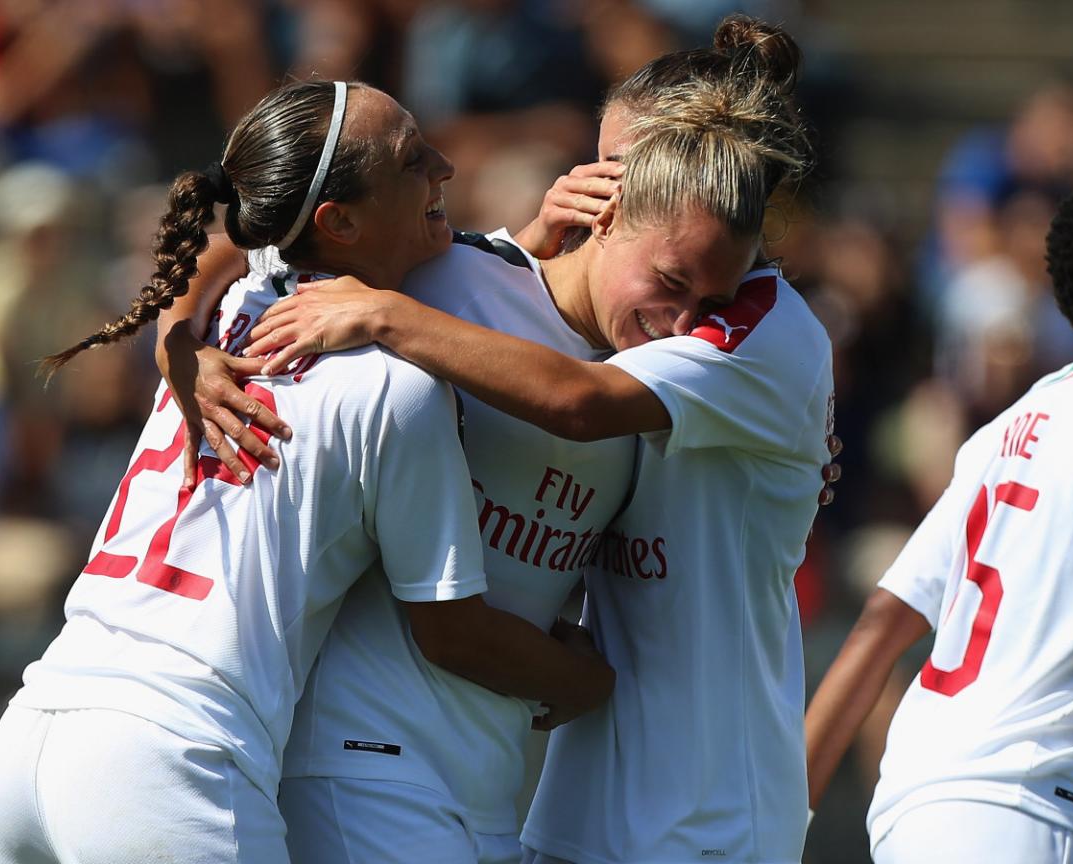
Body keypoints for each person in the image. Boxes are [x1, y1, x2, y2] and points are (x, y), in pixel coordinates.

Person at [173, 16, 829, 863]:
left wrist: (397, 308)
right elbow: (243, 238)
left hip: (674, 815)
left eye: (707, 298)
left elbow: (576, 400)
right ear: (611, 204)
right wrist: (178, 350)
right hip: (388, 775)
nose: (684, 321)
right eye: (597, 163)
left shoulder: (733, 341)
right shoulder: (454, 275)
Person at [0, 80, 617, 864]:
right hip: (169, 760)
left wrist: (178, 342)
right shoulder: (397, 386)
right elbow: (454, 631)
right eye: (414, 160)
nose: (446, 167)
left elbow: (220, 242)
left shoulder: (239, 305)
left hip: (34, 728)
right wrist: (588, 682)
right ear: (336, 221)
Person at [804, 174, 1073, 864]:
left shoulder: (1006, 428)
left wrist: (779, 815)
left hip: (910, 806)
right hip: (1029, 811)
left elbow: (882, 623)